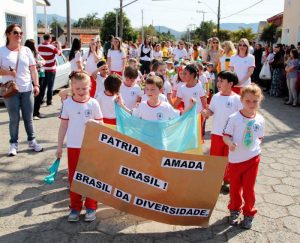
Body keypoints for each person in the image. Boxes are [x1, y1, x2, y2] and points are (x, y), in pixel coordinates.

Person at [56, 71, 103, 222]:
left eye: (85, 89)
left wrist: (94, 123)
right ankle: (75, 207)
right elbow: (63, 126)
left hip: (91, 147)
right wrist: (59, 147)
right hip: (73, 147)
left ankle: (91, 207)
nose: (81, 92)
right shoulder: (67, 103)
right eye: (78, 89)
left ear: (90, 87)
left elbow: (101, 125)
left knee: (90, 177)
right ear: (72, 88)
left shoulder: (94, 103)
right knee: (74, 178)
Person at [223, 84, 265, 229]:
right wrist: (230, 143)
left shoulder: (260, 119)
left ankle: (249, 213)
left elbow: (259, 138)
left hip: (253, 159)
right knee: (235, 188)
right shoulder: (234, 118)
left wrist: (253, 149)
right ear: (241, 100)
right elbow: (226, 136)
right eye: (248, 101)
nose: (251, 104)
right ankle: (234, 210)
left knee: (249, 189)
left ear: (259, 101)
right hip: (235, 160)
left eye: (255, 101)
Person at [0, 24, 43, 156]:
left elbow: (33, 69)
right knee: (14, 118)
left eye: (20, 33)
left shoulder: (26, 50)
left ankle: (32, 141)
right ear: (8, 34)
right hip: (10, 89)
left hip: (26, 88)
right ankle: (13, 144)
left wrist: (36, 85)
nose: (19, 35)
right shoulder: (2, 51)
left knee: (28, 117)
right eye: (15, 32)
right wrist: (8, 72)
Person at [202, 71, 243, 192]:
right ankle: (215, 179)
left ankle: (227, 181)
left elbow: (241, 116)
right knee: (216, 158)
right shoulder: (215, 96)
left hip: (231, 136)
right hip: (216, 133)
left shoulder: (237, 99)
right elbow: (211, 110)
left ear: (230, 83)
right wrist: (207, 113)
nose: (218, 83)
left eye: (221, 81)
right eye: (218, 81)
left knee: (228, 158)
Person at [117, 75, 194, 120]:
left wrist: (189, 106)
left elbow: (180, 115)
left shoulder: (165, 106)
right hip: (145, 143)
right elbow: (132, 113)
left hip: (160, 144)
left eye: (153, 89)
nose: (149, 92)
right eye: (147, 89)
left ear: (160, 90)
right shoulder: (143, 105)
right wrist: (121, 105)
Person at [24, 39, 46, 120]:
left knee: (40, 95)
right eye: (33, 44)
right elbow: (31, 64)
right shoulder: (26, 53)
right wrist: (38, 63)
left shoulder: (36, 53)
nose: (35, 46)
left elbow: (43, 60)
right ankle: (32, 114)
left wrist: (42, 62)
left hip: (40, 74)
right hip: (32, 77)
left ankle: (37, 112)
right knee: (34, 96)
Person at [38, 33, 62, 106]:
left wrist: (51, 44)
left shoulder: (39, 46)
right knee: (50, 86)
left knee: (43, 86)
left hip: (42, 69)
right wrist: (59, 45)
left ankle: (40, 100)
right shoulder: (52, 47)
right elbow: (60, 54)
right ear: (50, 39)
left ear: (43, 38)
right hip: (51, 70)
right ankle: (49, 101)